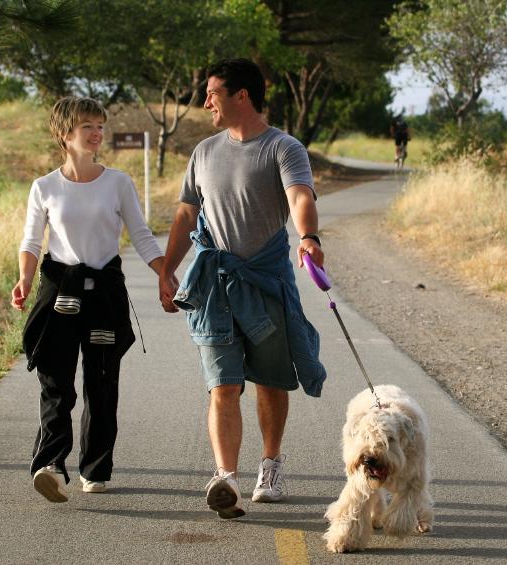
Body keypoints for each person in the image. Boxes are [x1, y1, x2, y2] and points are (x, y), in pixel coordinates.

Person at [158, 58, 327, 519]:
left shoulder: (282, 148)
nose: (205, 100)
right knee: (223, 384)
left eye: (213, 92)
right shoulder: (205, 152)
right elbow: (185, 215)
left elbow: (300, 197)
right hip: (215, 284)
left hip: (266, 279)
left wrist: (309, 237)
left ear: (242, 96)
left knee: (271, 381)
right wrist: (167, 270)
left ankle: (270, 466)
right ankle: (226, 477)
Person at [11, 96, 167, 503]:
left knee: (101, 384)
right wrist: (24, 280)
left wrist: (166, 275)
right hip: (59, 288)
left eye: (100, 125)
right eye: (88, 127)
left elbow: (142, 235)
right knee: (56, 383)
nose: (98, 134)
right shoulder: (44, 187)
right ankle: (49, 465)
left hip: (105, 293)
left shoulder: (118, 182)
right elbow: (31, 240)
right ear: (65, 134)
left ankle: (95, 468)